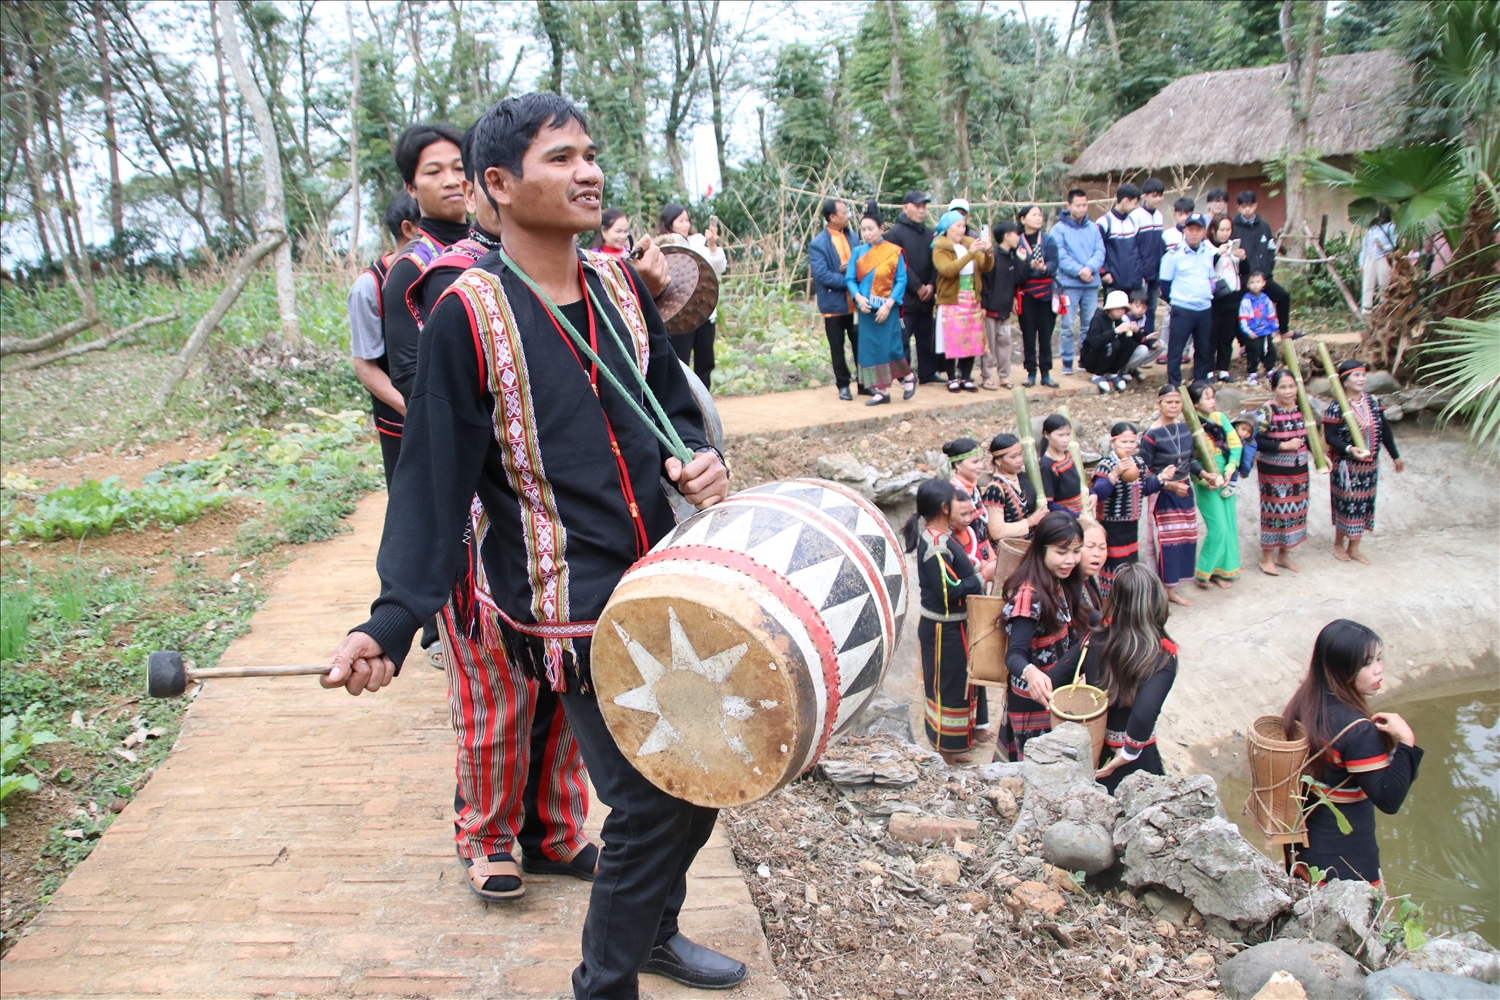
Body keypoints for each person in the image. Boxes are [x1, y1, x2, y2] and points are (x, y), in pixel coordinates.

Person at [321, 93, 741, 997]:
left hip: (668, 581)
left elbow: (670, 400)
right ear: (498, 187)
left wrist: (695, 459)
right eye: (561, 158)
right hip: (570, 610)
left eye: (590, 153)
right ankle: (605, 982)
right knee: (645, 800)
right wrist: (392, 621)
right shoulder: (462, 318)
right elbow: (431, 486)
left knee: (704, 772)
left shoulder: (622, 286)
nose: (588, 171)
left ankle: (654, 932)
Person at [1282, 619, 1421, 885]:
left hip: (1303, 849)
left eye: (1379, 659)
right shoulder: (1358, 731)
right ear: (1341, 669)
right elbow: (1389, 800)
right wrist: (1406, 741)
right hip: (1344, 862)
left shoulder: (1306, 702)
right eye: (1367, 664)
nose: (1379, 670)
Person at [903, 479, 992, 764]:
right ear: (944, 508)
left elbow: (958, 568)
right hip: (944, 630)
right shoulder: (934, 546)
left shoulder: (944, 535)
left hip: (956, 626)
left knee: (963, 682)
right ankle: (946, 748)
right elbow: (948, 590)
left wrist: (976, 567)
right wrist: (983, 577)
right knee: (948, 686)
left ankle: (962, 738)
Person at [382, 123, 469, 404]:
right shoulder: (411, 267)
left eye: (459, 168)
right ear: (411, 187)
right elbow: (408, 373)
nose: (452, 180)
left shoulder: (495, 244)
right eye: (434, 172)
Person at [1075, 563, 1178, 792]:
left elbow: (1055, 680)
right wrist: (1128, 752)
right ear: (1157, 603)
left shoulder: (1094, 640)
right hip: (1137, 758)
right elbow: (1143, 715)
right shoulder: (1163, 656)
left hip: (1094, 749)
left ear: (1115, 601)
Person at [1000, 512, 1085, 760]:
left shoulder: (1060, 582)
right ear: (1041, 549)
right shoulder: (1030, 596)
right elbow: (1014, 655)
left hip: (1053, 693)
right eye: (1062, 552)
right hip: (1033, 701)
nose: (1071, 560)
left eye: (1076, 551)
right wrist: (1031, 672)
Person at [349, 192, 421, 484]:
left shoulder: (449, 271)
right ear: (409, 229)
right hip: (401, 424)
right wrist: (415, 410)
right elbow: (365, 365)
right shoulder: (369, 286)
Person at [1139, 384, 1218, 605]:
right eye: (1169, 402)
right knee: (1167, 542)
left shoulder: (1184, 429)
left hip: (1185, 491)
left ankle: (1172, 589)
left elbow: (1190, 459)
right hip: (1164, 494)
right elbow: (1145, 473)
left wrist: (1204, 473)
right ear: (1159, 404)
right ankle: (1162, 591)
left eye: (1177, 402)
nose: (1173, 406)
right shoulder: (1151, 435)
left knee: (1186, 538)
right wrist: (1170, 486)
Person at [1323, 360, 1404, 564]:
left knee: (1364, 505)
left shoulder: (1374, 402)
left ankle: (1355, 547)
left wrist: (1395, 455)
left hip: (1369, 466)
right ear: (1344, 380)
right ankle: (1338, 544)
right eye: (1355, 376)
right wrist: (1350, 449)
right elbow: (1330, 437)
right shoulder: (1336, 406)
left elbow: (1384, 430)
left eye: (1363, 375)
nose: (1361, 379)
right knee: (1347, 505)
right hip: (1346, 467)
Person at [1089, 421, 1168, 595]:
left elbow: (1144, 489)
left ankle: (1129, 604)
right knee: (1114, 568)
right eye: (1124, 442)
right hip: (1111, 527)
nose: (1129, 446)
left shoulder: (1138, 463)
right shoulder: (1106, 464)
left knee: (1130, 566)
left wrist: (1162, 478)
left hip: (1131, 526)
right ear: (1113, 443)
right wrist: (1115, 473)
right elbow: (1099, 493)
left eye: (1132, 442)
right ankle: (1110, 608)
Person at [845, 201, 911, 406]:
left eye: (870, 229)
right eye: (863, 229)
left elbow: (901, 280)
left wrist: (889, 304)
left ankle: (908, 377)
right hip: (866, 308)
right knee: (870, 350)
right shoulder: (857, 252)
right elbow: (850, 279)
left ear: (881, 229)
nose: (867, 233)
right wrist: (857, 297)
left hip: (886, 308)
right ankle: (881, 391)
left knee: (891, 347)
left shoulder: (893, 251)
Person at [658, 203, 727, 391]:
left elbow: (718, 268)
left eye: (687, 220)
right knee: (680, 362)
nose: (685, 224)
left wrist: (712, 245)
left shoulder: (698, 243)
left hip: (703, 312)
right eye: (681, 220)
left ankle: (704, 405)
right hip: (678, 315)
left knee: (706, 362)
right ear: (669, 222)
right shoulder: (663, 245)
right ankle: (683, 404)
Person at [1254, 370, 1311, 576]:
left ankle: (1284, 555)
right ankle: (1266, 558)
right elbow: (1255, 440)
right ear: (1274, 389)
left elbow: (1309, 436)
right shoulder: (1266, 411)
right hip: (1273, 471)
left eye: (1291, 386)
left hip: (1299, 470)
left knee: (1295, 512)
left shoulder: (1301, 408)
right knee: (1274, 512)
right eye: (1283, 387)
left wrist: (1322, 456)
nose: (1288, 391)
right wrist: (1284, 446)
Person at [1186, 381, 1242, 589]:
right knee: (1217, 527)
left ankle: (1223, 571)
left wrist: (1230, 469)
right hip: (1206, 484)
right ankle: (1204, 571)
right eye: (1207, 398)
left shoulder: (1220, 418)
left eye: (1213, 397)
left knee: (1229, 525)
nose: (1212, 402)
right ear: (1195, 404)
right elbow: (1189, 460)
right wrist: (1202, 479)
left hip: (1227, 477)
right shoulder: (1191, 427)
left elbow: (1235, 445)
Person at [932, 210, 994, 392]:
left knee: (971, 337)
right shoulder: (940, 247)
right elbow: (948, 270)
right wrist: (969, 254)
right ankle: (951, 377)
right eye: (958, 226)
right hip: (952, 298)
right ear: (947, 228)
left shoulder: (969, 243)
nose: (962, 229)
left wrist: (989, 253)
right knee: (951, 339)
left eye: (963, 225)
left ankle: (966, 376)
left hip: (971, 297)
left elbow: (985, 266)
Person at [809, 198, 863, 400]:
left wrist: (852, 270)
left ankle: (865, 383)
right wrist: (850, 279)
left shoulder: (854, 238)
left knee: (861, 345)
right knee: (837, 348)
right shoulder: (818, 244)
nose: (848, 215)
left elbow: (862, 263)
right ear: (832, 217)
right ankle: (843, 385)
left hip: (856, 304)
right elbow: (822, 275)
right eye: (844, 212)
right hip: (834, 305)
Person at [885, 191, 940, 384]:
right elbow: (899, 264)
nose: (922, 210)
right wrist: (918, 287)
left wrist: (932, 285)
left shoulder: (929, 233)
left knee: (926, 339)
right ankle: (903, 375)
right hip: (905, 299)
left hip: (927, 297)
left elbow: (936, 261)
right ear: (905, 207)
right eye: (917, 206)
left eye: (924, 206)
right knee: (902, 339)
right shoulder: (895, 233)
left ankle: (928, 373)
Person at [1158, 213, 1216, 387]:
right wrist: (1177, 301)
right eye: (1190, 229)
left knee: (1203, 349)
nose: (1194, 233)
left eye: (1198, 230)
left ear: (1204, 232)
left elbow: (1212, 278)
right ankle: (1174, 385)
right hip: (1182, 308)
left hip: (1204, 308)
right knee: (1176, 349)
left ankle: (1200, 384)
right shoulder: (1174, 254)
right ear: (1185, 231)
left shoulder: (1209, 253)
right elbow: (1165, 284)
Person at [1051, 188, 1104, 377]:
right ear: (1069, 205)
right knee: (1067, 324)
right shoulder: (1059, 229)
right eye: (1078, 205)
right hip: (1069, 284)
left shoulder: (1093, 228)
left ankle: (1085, 357)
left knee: (1089, 325)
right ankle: (1066, 359)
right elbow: (1060, 255)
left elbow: (1100, 251)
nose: (1082, 209)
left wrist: (1089, 268)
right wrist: (1079, 270)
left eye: (1084, 205)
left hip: (1091, 283)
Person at [1232, 191, 1292, 337]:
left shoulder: (1264, 226)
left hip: (1264, 277)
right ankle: (1244, 344)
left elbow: (1271, 248)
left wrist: (1268, 267)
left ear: (1255, 206)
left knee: (1283, 296)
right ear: (1238, 207)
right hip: (1243, 279)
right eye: (1244, 206)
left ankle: (1283, 330)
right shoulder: (1234, 227)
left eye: (1250, 206)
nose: (1247, 209)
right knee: (1241, 310)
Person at [1016, 204, 1059, 388]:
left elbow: (1054, 264)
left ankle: (1046, 372)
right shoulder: (1017, 241)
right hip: (1026, 293)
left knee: (1046, 334)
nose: (1038, 218)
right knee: (1028, 334)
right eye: (1034, 215)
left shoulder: (1049, 240)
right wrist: (1026, 265)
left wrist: (1043, 268)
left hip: (1046, 293)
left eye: (1040, 215)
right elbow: (1015, 271)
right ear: (1023, 219)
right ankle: (1031, 372)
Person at [980, 220, 1023, 389]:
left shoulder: (1013, 256)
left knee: (1005, 342)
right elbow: (985, 281)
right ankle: (986, 376)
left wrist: (1022, 261)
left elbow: (1018, 280)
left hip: (1006, 309)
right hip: (990, 309)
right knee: (988, 345)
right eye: (1015, 233)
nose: (1018, 237)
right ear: (1007, 236)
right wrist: (983, 304)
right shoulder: (992, 256)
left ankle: (1004, 376)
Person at [983, 433, 1047, 542]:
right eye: (1013, 457)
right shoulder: (995, 489)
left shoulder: (1022, 478)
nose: (1019, 460)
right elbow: (996, 531)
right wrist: (1030, 521)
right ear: (998, 460)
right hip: (1011, 549)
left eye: (1020, 454)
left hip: (1030, 544)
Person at [1207, 214, 1246, 383]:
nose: (1224, 233)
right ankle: (1208, 370)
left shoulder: (1233, 246)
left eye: (1228, 229)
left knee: (1227, 335)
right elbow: (1204, 268)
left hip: (1233, 295)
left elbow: (1244, 270)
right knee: (1211, 335)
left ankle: (1223, 369)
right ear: (1214, 230)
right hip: (1216, 296)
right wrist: (1217, 254)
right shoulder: (1207, 247)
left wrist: (1243, 258)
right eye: (1221, 229)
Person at [1158, 196, 1196, 358]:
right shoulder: (1168, 235)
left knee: (1189, 318)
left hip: (1189, 284)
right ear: (1175, 214)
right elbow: (1162, 259)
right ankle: (1164, 349)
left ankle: (1184, 350)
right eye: (1180, 214)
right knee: (1169, 318)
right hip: (1172, 284)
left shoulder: (1197, 235)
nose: (1184, 217)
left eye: (1187, 213)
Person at [1079, 289, 1137, 393]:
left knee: (1128, 342)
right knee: (1112, 344)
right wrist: (1115, 331)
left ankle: (1113, 372)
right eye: (1117, 308)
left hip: (1109, 360)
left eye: (1123, 309)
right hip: (1092, 359)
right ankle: (1098, 375)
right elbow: (1095, 342)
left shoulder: (1120, 321)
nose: (1121, 311)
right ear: (1110, 308)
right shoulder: (1098, 319)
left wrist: (1135, 331)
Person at [1133, 178, 1167, 339]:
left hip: (1155, 272)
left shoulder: (1159, 216)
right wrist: (1139, 272)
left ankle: (1150, 339)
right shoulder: (1136, 216)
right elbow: (1134, 247)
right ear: (1145, 196)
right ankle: (1139, 341)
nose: (1158, 199)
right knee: (1139, 309)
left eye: (1160, 195)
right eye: (1154, 195)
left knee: (1152, 308)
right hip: (1141, 273)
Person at [1098, 182, 1144, 301]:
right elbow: (1095, 250)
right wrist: (1103, 273)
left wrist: (1141, 275)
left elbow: (1138, 251)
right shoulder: (1104, 222)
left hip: (1134, 283)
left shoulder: (1134, 222)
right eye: (1135, 203)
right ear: (1125, 201)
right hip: (1114, 282)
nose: (1136, 206)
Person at [1239, 271, 1280, 386]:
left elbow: (1271, 314)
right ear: (1247, 284)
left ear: (1263, 283)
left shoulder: (1265, 299)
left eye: (1258, 282)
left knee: (1270, 350)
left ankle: (1270, 369)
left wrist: (1274, 328)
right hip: (1254, 333)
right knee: (1253, 352)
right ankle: (1252, 373)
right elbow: (1243, 318)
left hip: (1266, 331)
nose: (1255, 285)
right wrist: (1247, 331)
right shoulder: (1246, 301)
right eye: (1252, 282)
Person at [1038, 413, 1084, 515]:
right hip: (1065, 518)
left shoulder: (1067, 454)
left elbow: (1077, 487)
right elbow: (1049, 503)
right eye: (1060, 435)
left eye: (1068, 434)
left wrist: (1092, 493)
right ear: (1046, 435)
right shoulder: (1047, 465)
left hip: (1079, 511)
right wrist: (1077, 517)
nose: (1065, 440)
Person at [945, 436, 988, 540]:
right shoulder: (952, 492)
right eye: (975, 462)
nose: (981, 466)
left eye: (982, 460)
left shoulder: (975, 487)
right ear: (958, 464)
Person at [1360, 208, 1397, 312]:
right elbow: (1365, 246)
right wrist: (1362, 262)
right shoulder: (1371, 229)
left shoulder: (1390, 227)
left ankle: (1384, 310)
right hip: (1370, 258)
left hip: (1383, 258)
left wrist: (1384, 247)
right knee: (1367, 285)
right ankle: (1366, 311)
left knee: (1384, 284)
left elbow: (1394, 245)